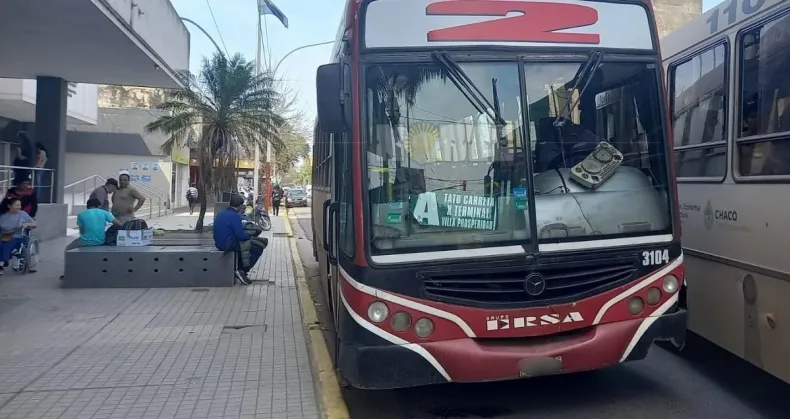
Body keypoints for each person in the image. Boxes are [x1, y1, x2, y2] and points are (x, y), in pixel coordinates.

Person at [213, 194, 267, 285]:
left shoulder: (221, 214)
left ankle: (241, 270)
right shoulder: (235, 216)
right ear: (240, 206)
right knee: (257, 248)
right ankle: (242, 271)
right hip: (229, 244)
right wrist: (250, 237)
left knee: (249, 245)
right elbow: (240, 236)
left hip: (219, 243)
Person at [0, 197, 36, 275]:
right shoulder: (3, 215)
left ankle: (2, 263)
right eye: (16, 205)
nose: (19, 207)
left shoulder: (23, 214)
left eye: (19, 205)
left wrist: (27, 224)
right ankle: (2, 262)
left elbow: (34, 224)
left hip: (19, 236)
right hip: (4, 236)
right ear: (9, 206)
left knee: (8, 244)